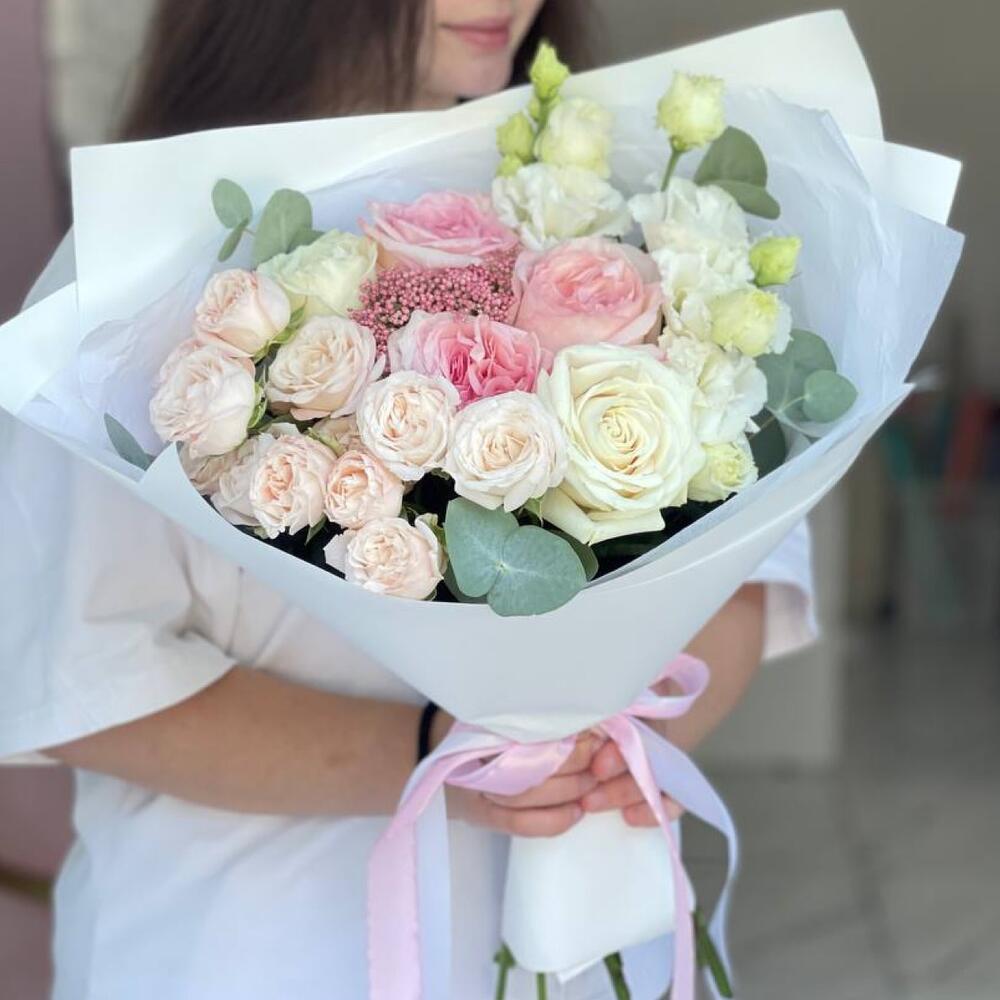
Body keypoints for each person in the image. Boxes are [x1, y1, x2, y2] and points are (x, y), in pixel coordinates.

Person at [0, 2, 815, 997]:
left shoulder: (630, 224)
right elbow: (82, 680)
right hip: (253, 948)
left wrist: (606, 753)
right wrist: (446, 758)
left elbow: (746, 569)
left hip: (581, 921)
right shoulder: (142, 264)